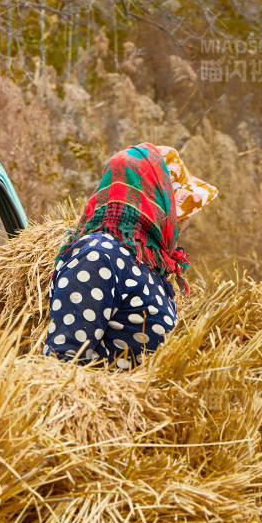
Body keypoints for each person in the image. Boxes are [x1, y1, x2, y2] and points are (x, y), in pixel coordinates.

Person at [44, 144, 217, 369]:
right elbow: (62, 362)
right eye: (179, 212)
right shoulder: (98, 256)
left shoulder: (142, 262)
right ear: (157, 206)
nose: (184, 223)